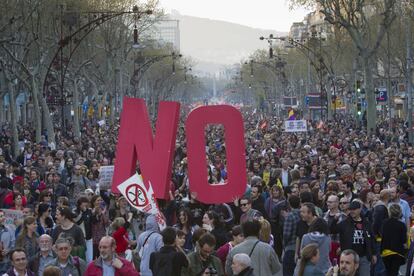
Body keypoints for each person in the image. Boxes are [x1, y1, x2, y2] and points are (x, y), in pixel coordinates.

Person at [330, 200, 376, 275]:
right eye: (350, 209)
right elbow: (332, 230)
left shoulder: (367, 223)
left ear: (359, 209)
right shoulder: (345, 223)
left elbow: (372, 239)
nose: (352, 211)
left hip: (363, 257)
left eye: (354, 209)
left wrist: (373, 254)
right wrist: (335, 220)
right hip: (349, 257)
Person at [381, 203, 407, 276]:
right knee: (394, 272)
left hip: (385, 251)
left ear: (389, 212)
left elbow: (382, 235)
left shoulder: (384, 222)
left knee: (387, 271)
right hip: (397, 252)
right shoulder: (402, 225)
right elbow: (403, 240)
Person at [282, 195, 301, 276]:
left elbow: (286, 234)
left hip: (290, 248)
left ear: (289, 204)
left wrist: (284, 247)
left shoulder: (290, 216)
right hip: (300, 248)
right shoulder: (301, 214)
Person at [0, 210, 16, 274]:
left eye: (3, 216)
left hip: (5, 262)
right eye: (1, 216)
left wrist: (8, 250)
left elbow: (14, 244)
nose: (3, 218)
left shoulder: (10, 229)